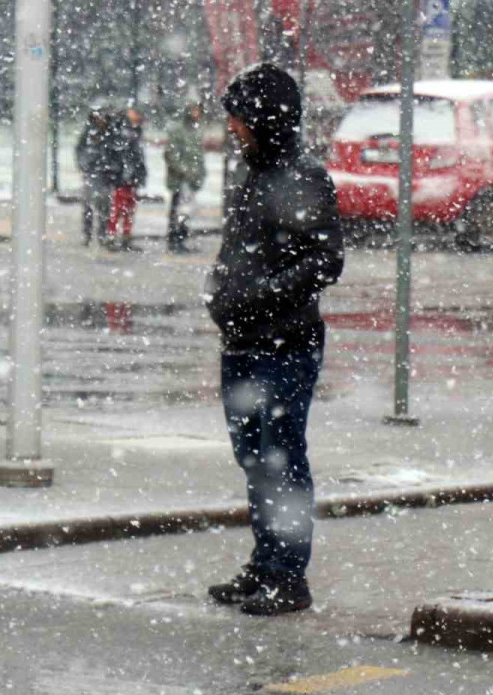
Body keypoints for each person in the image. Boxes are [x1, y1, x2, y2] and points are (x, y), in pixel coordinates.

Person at [204, 63, 344, 616]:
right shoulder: (254, 175)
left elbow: (325, 260)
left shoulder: (301, 178)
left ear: (264, 117)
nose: (232, 126)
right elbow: (237, 254)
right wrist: (220, 292)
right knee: (254, 458)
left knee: (279, 458)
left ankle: (288, 576)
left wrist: (258, 296)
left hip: (284, 343)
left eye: (239, 116)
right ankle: (265, 566)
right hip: (241, 341)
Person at [165, 102, 207, 253]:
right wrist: (184, 170)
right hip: (179, 179)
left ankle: (181, 239)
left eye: (198, 111)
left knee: (187, 211)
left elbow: (198, 155)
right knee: (178, 210)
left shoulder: (196, 131)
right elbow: (171, 153)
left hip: (190, 180)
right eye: (194, 110)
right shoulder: (178, 130)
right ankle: (174, 240)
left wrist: (200, 173)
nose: (196, 114)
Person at [105, 106, 148, 252]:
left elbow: (138, 156)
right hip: (122, 177)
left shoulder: (134, 132)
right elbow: (118, 153)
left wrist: (139, 173)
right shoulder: (121, 131)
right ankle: (114, 236)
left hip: (129, 177)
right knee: (118, 208)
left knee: (128, 209)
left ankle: (124, 236)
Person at [74, 105, 116, 247]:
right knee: (88, 205)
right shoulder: (88, 134)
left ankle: (102, 233)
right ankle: (88, 233)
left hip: (106, 175)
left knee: (104, 206)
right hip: (92, 173)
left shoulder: (111, 133)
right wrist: (85, 165)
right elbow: (80, 151)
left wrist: (112, 167)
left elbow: (116, 153)